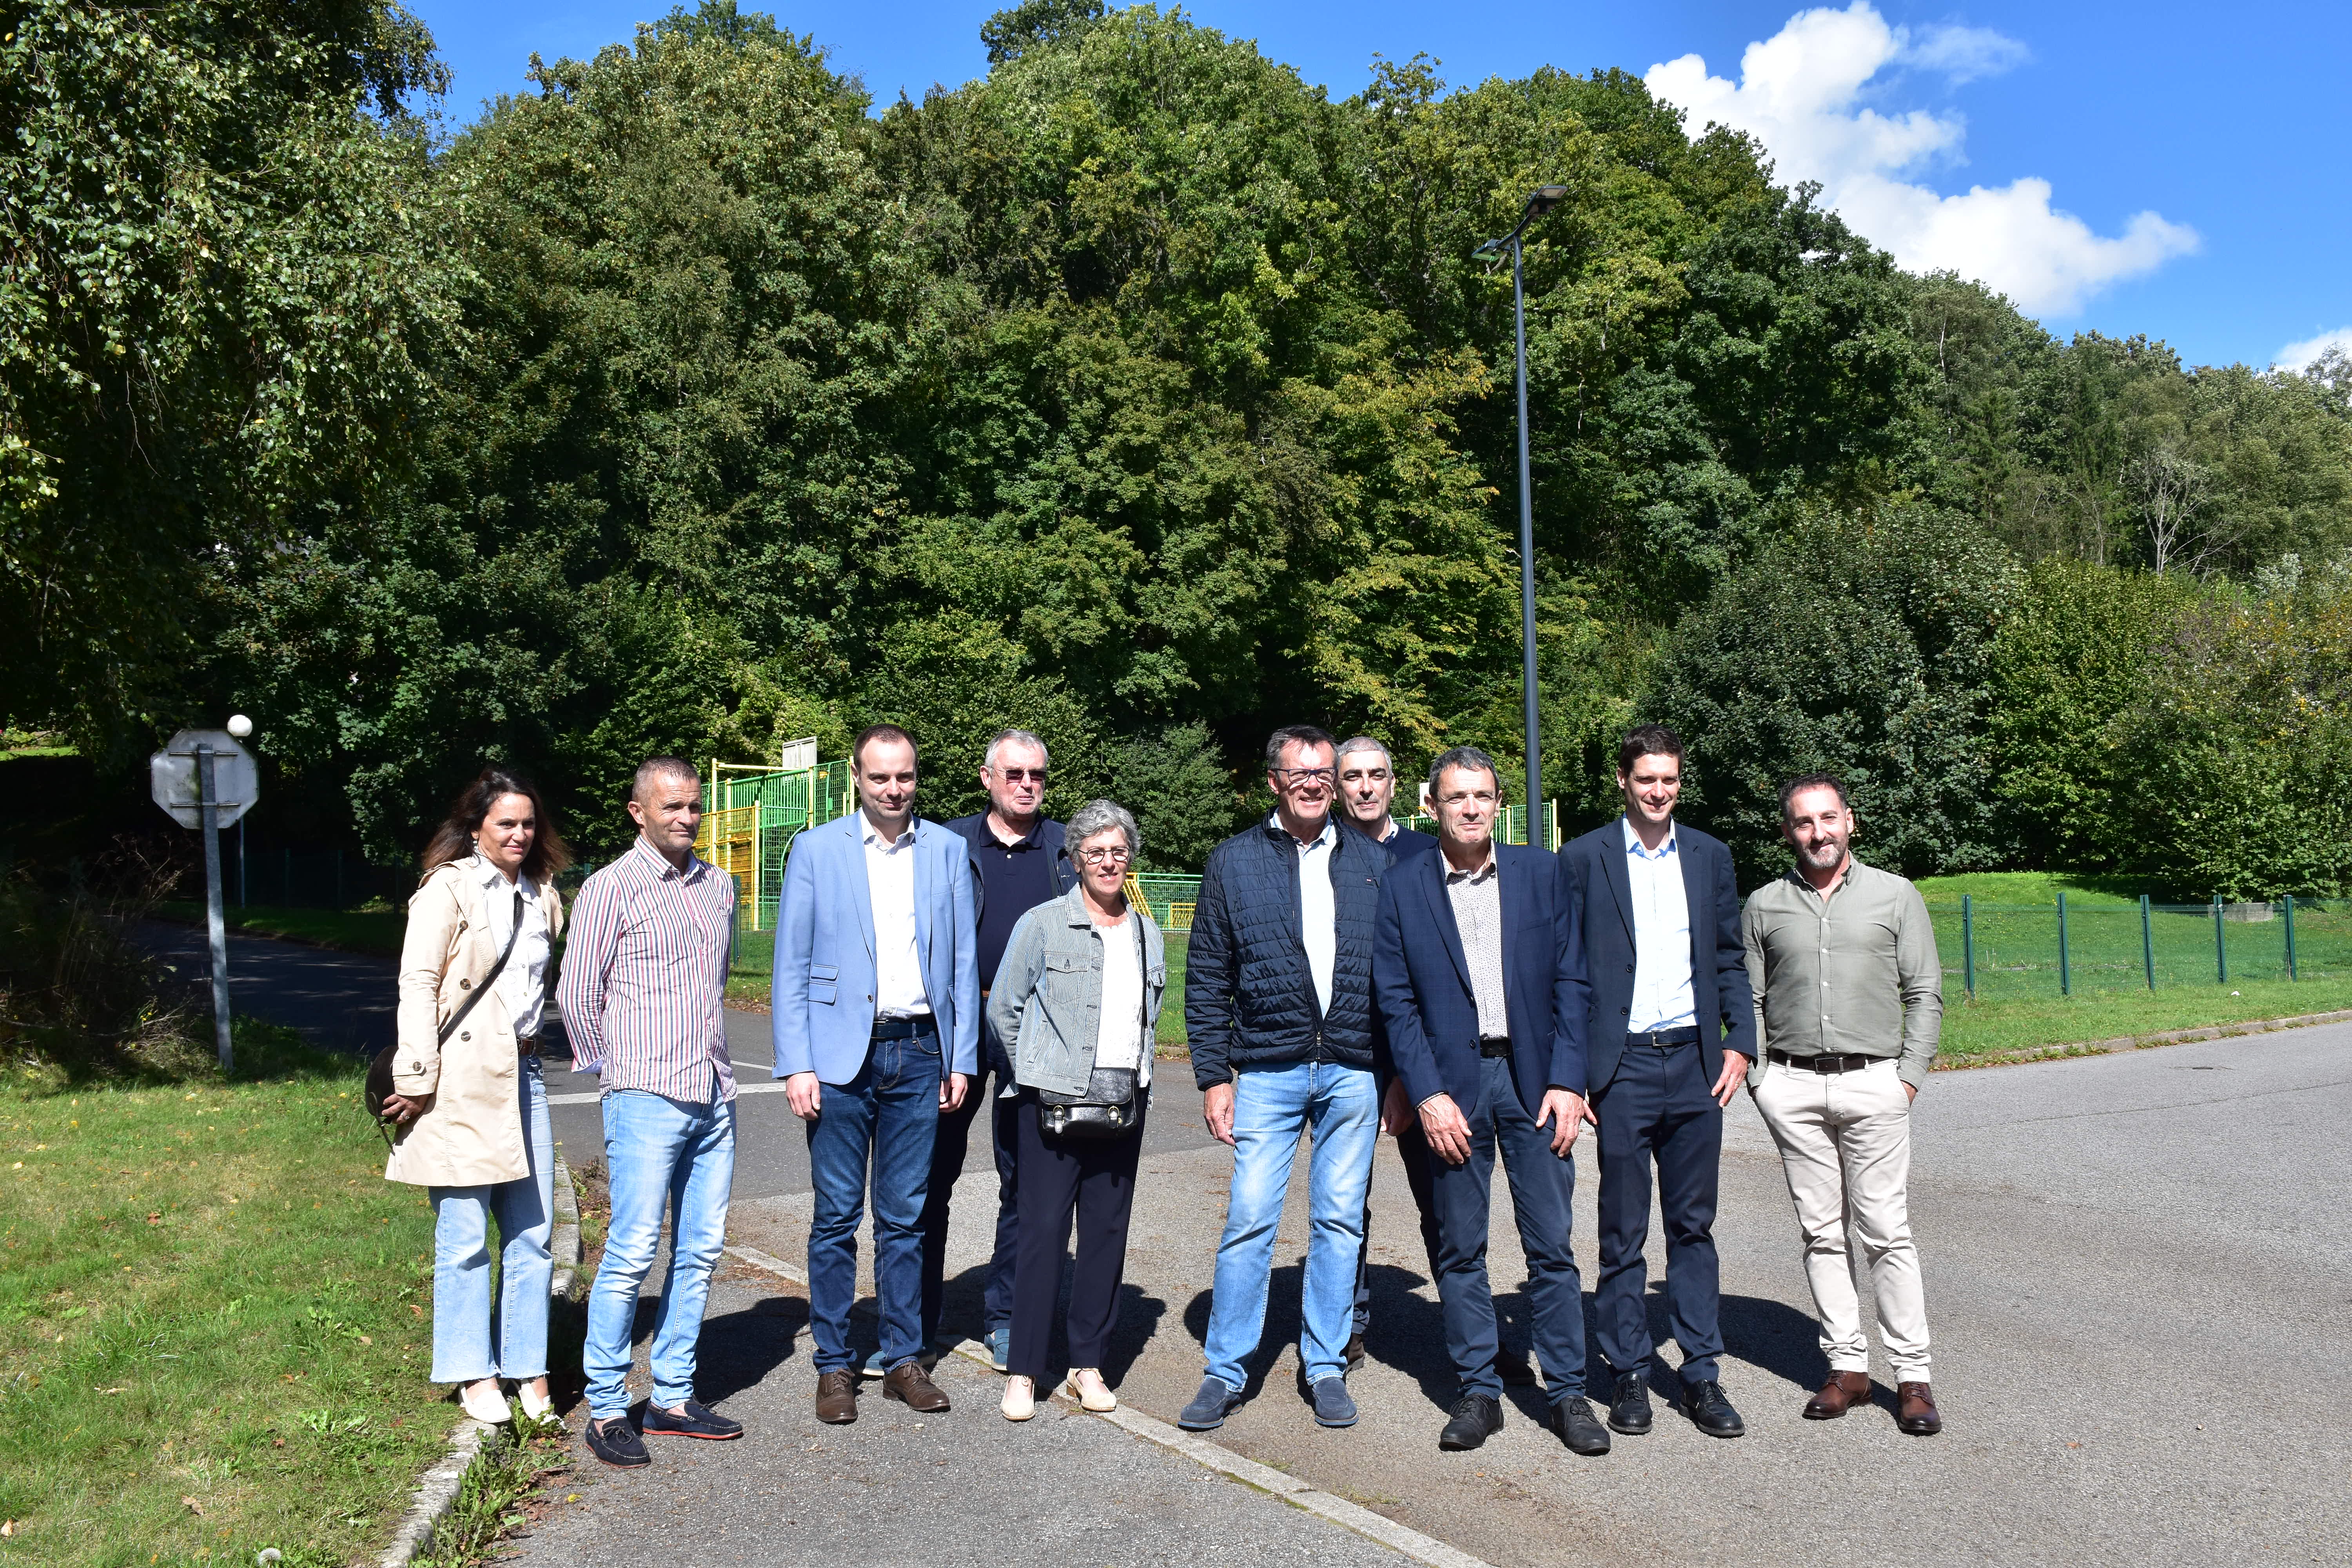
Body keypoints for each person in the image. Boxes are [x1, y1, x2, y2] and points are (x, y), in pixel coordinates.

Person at [1371, 746, 1609, 1455]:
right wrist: (1427, 1093)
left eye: (1482, 796)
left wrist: (1569, 1081)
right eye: (1456, 797)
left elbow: (1573, 982)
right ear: (1432, 806)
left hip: (1536, 1084)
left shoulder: (1541, 872)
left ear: (1499, 805)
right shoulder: (1403, 884)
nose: (1470, 808)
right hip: (1454, 1087)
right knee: (1459, 1247)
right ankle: (1478, 1389)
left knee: (1552, 1246)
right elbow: (1395, 1000)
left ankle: (1567, 1394)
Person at [1180, 724, 1389, 1434]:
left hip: (1353, 1070)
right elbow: (1207, 976)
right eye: (1299, 773)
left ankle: (1325, 1366)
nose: (1313, 784)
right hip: (1268, 1069)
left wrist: (1394, 1077)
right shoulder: (1232, 861)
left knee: (1339, 1222)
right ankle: (1225, 1370)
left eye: (1324, 773)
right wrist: (1214, 1076)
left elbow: (1397, 981)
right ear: (1273, 780)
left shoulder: (1372, 861)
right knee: (1249, 1221)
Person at [773, 723, 979, 1425]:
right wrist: (797, 1063)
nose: (894, 789)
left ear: (918, 778)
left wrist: (961, 1057)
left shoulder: (946, 850)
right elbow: (792, 964)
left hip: (921, 1054)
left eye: (905, 776)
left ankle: (903, 1360)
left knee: (906, 1218)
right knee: (836, 1217)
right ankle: (835, 1365)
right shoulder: (816, 849)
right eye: (880, 777)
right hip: (838, 1062)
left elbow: (962, 962)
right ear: (857, 779)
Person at [1557, 724, 1756, 1441]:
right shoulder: (1583, 858)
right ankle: (1629, 1371)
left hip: (1696, 1065)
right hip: (1622, 1068)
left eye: (1669, 779)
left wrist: (1741, 1042)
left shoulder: (1709, 856)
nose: (1659, 791)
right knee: (1622, 1230)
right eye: (1647, 779)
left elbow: (1729, 956)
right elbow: (1566, 971)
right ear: (1623, 780)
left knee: (1693, 1226)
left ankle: (1701, 1372)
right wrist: (1573, 1072)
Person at [1742, 774, 1945, 1436]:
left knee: (1886, 1231)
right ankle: (1848, 1368)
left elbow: (1924, 992)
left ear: (1850, 821)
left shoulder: (1895, 895)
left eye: (1828, 819)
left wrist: (1907, 1079)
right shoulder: (1765, 905)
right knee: (1822, 1233)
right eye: (1804, 822)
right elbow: (1749, 1001)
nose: (1818, 832)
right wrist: (1762, 1082)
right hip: (1793, 1088)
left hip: (1874, 1083)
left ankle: (1912, 1377)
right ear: (1787, 831)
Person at [561, 757, 744, 1469]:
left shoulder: (719, 886)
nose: (687, 818)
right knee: (634, 1251)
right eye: (672, 807)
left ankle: (672, 1396)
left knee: (699, 1250)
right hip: (644, 1094)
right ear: (638, 812)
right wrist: (618, 1071)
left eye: (694, 806)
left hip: (714, 1092)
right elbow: (578, 993)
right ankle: (607, 1407)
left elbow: (713, 983)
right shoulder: (609, 888)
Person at [382, 766, 570, 1429]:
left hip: (526, 1073)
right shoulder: (449, 889)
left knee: (534, 1232)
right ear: (476, 827)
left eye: (528, 823)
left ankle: (529, 1366)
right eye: (506, 823)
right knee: (464, 1234)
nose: (520, 834)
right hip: (460, 1079)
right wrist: (415, 1075)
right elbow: (417, 981)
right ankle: (473, 1370)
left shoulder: (543, 894)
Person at [986, 800, 1165, 1421]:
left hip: (1121, 1103)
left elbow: (1148, 1016)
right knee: (1041, 1234)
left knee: (1106, 1236)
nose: (1109, 862)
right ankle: (1024, 1369)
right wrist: (1034, 1072)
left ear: (1129, 858)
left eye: (1118, 851)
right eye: (1096, 852)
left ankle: (1087, 1364)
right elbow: (1005, 1008)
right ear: (1076, 859)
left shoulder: (1145, 932)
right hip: (1051, 1106)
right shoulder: (1042, 924)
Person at [930, 729, 1075, 1373]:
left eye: (1036, 774)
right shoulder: (947, 844)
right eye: (1013, 773)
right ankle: (915, 1321)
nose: (1026, 784)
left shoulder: (1067, 847)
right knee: (930, 1174)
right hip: (958, 1022)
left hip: (1037, 1027)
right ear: (987, 777)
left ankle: (1008, 1318)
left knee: (1026, 1180)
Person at [1335, 735, 1438, 860]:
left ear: (1392, 785)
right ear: (1335, 788)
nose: (1367, 789)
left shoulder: (1431, 852)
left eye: (1377, 776)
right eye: (1353, 777)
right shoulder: (1320, 855)